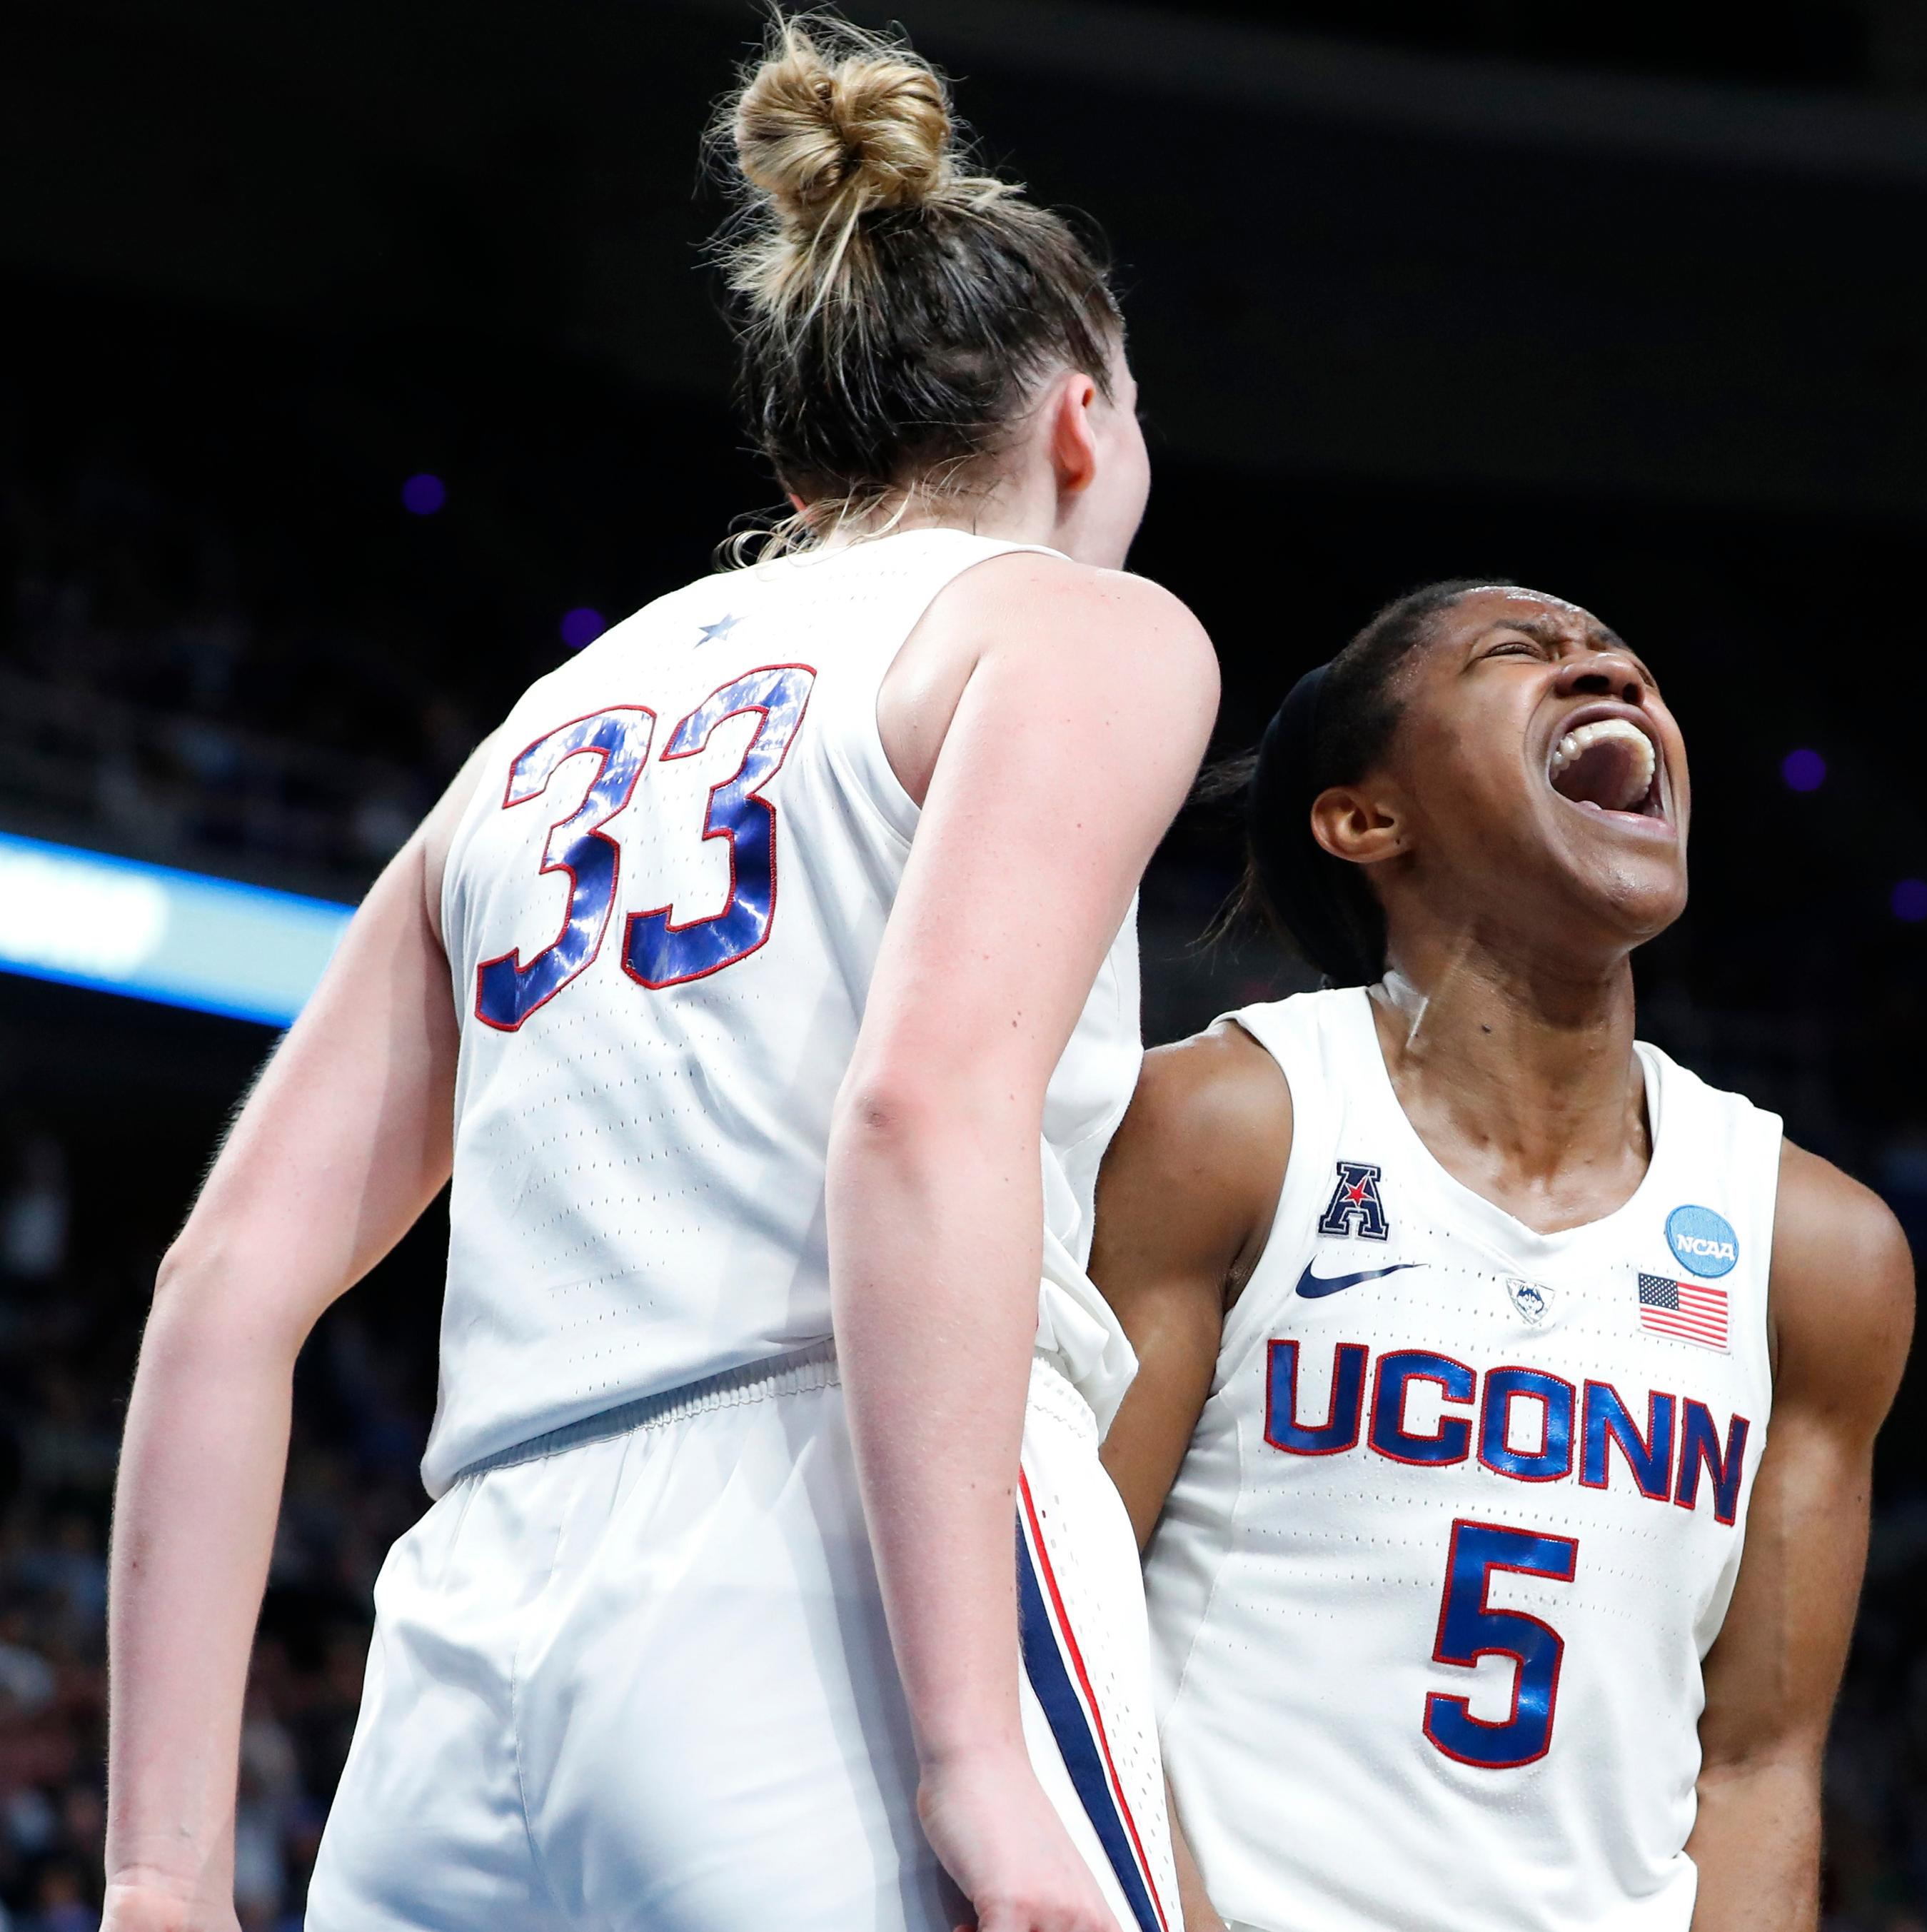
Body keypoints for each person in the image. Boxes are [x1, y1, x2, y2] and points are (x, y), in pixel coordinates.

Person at [103, 17, 1216, 1932]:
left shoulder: (542, 725)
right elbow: (919, 1114)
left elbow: (220, 1290)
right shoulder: (1078, 626)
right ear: (1080, 420)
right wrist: (969, 1753)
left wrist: (157, 1873)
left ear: (799, 466)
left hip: (467, 1650)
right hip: (827, 1582)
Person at [1085, 581, 1915, 1930]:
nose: (1609, 679)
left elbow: (1758, 1767)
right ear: (1368, 818)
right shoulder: (1226, 1127)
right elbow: (1063, 1599)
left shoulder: (1816, 1246)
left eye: (1625, 663)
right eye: (1521, 655)